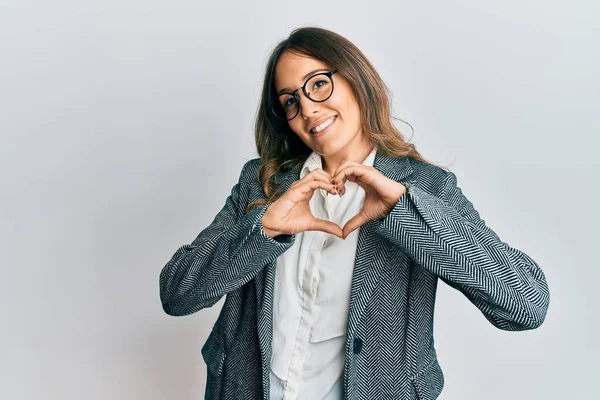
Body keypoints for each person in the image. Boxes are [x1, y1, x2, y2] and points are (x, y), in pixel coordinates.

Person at [159, 26, 550, 400]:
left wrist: (403, 211)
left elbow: (525, 304)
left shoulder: (425, 188)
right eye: (290, 101)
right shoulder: (262, 183)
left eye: (318, 83)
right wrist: (261, 231)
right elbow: (177, 294)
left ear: (356, 78)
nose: (309, 109)